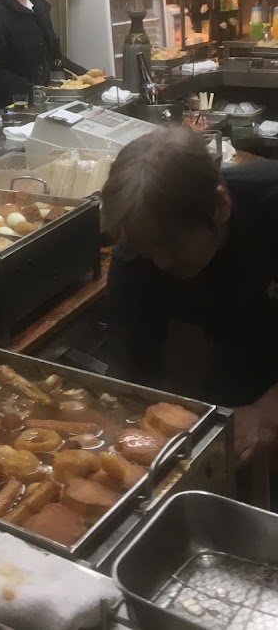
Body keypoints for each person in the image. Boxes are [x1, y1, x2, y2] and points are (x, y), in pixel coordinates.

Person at [102, 127, 278, 466]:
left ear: (220, 207)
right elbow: (129, 380)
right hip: (233, 353)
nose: (160, 263)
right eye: (147, 250)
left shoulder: (271, 204)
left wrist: (268, 413)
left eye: (171, 245)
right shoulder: (137, 257)